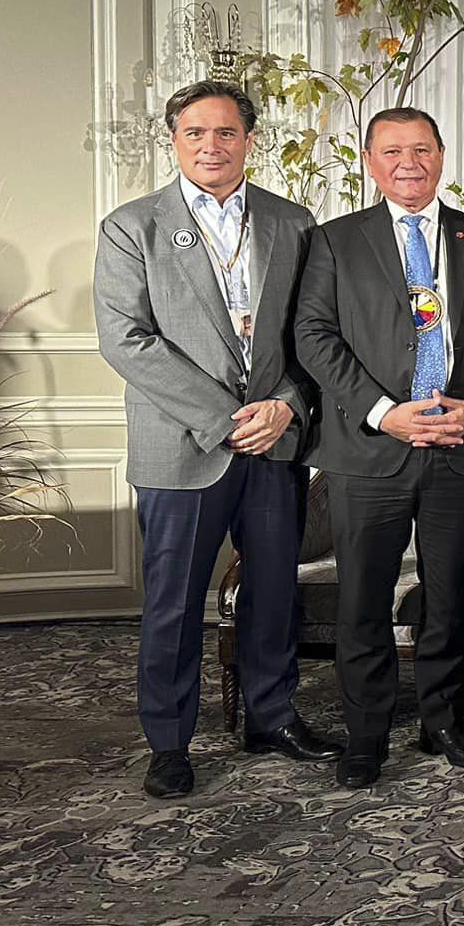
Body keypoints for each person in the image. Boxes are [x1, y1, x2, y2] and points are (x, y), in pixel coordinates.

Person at [94, 78, 338, 798]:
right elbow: (126, 340)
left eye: (225, 132)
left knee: (272, 590)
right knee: (174, 600)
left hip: (274, 442)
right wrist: (226, 418)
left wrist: (287, 406)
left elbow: (312, 337)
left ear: (249, 141)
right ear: (173, 141)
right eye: (195, 133)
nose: (211, 145)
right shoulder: (131, 226)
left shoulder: (292, 223)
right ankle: (168, 742)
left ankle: (271, 714)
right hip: (183, 446)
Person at [294, 108, 464, 790]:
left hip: (458, 445)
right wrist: (387, 414)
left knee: (452, 594)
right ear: (369, 160)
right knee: (363, 598)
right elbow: (314, 337)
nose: (408, 162)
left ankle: (443, 720)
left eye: (421, 149)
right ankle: (366, 733)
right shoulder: (334, 241)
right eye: (392, 151)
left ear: (443, 155)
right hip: (369, 451)